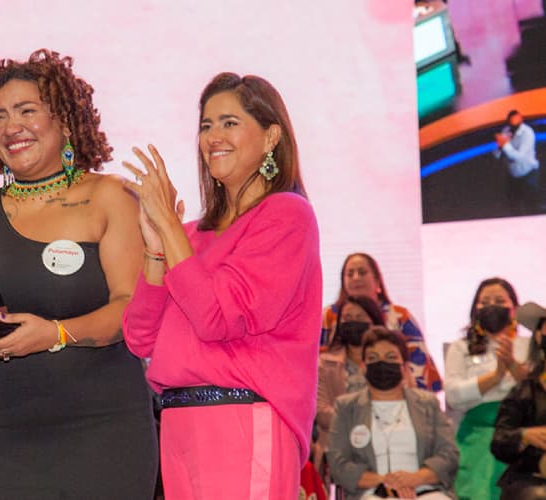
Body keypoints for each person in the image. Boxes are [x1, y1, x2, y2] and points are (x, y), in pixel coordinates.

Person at [0, 49, 158, 499]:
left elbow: (132, 311)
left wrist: (55, 333)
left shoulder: (109, 197)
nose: (10, 126)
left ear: (65, 121)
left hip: (101, 433)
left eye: (26, 110)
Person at [121, 72, 322, 498]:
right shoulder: (189, 236)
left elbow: (216, 317)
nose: (213, 136)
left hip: (241, 418)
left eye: (230, 122)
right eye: (206, 125)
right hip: (177, 422)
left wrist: (169, 227)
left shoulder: (287, 215)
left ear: (271, 137)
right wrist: (156, 248)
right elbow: (140, 338)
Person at [327, 327, 458, 500]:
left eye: (390, 357)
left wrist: (415, 478)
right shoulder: (346, 407)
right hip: (372, 493)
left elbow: (449, 455)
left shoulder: (428, 403)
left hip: (426, 490)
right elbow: (338, 464)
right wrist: (386, 481)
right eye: (373, 358)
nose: (382, 363)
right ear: (363, 367)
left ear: (404, 366)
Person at [445, 277, 529, 500]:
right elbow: (453, 395)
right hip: (478, 432)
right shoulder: (461, 348)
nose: (492, 306)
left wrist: (512, 364)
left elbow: (537, 391)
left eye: (499, 301)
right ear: (475, 310)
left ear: (515, 308)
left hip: (522, 430)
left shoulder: (529, 345)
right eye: (485, 302)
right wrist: (496, 377)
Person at [320, 252, 442, 392]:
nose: (356, 278)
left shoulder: (400, 316)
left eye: (362, 272)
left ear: (377, 281)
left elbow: (419, 362)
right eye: (350, 274)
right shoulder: (328, 316)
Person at [315, 295, 386, 477]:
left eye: (359, 317)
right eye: (347, 318)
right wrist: (365, 420)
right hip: (338, 451)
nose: (353, 322)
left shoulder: (390, 362)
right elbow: (322, 413)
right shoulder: (324, 364)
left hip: (386, 447)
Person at [491, 301, 546, 500]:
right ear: (539, 336)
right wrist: (524, 435)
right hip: (530, 478)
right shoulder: (524, 391)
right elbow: (499, 441)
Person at [494, 110, 541, 215]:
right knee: (514, 208)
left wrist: (505, 145)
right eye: (511, 124)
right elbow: (497, 154)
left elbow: (520, 157)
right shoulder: (506, 131)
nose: (513, 128)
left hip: (528, 174)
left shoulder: (528, 133)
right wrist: (500, 146)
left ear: (521, 121)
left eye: (516, 124)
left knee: (532, 208)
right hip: (512, 175)